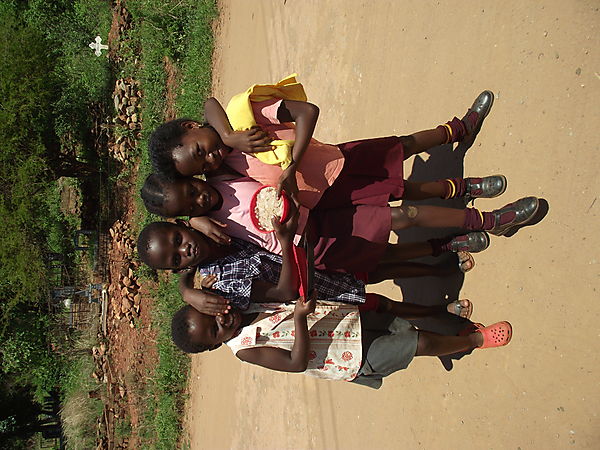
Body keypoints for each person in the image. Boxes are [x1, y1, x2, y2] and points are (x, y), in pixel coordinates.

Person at [147, 85, 540, 274]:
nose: (207, 161)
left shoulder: (235, 128)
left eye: (200, 153)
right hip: (319, 207)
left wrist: (233, 137)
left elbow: (210, 104)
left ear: (190, 127)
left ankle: (458, 130)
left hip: (333, 162)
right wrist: (194, 219)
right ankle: (488, 218)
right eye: (198, 170)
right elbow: (187, 208)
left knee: (400, 151)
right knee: (405, 207)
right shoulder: (215, 179)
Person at [140, 172, 490, 276]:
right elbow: (188, 276)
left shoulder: (211, 195)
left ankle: (483, 219)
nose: (182, 248)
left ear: (180, 222)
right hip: (312, 256)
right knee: (386, 258)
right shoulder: (211, 272)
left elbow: (211, 111)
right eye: (175, 257)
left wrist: (197, 218)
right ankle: (446, 246)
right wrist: (188, 289)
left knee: (398, 216)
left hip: (314, 211)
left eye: (176, 236)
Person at [169, 289, 511, 389]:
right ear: (216, 344)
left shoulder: (243, 302)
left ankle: (445, 341)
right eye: (215, 330)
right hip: (350, 356)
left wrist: (189, 289)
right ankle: (474, 341)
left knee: (404, 328)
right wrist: (300, 319)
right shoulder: (245, 350)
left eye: (211, 312)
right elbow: (296, 363)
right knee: (418, 344)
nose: (221, 319)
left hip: (347, 320)